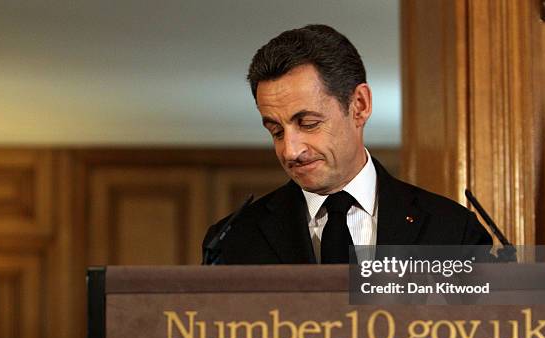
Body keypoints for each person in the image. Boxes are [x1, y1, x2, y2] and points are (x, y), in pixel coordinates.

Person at [202, 24, 491, 265]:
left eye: (308, 124)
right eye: (276, 131)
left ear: (359, 106)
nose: (290, 150)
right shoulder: (232, 240)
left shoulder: (452, 231)